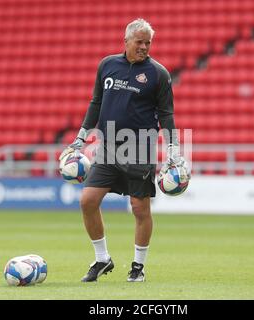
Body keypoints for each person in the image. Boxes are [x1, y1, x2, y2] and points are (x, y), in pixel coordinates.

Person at [59, 18, 189, 282]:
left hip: (139, 147)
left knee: (140, 209)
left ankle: (138, 267)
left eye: (148, 43)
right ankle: (102, 259)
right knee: (88, 201)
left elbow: (166, 115)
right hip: (106, 147)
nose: (144, 47)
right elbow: (96, 103)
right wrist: (81, 138)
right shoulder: (107, 65)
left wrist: (173, 150)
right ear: (126, 41)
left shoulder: (158, 74)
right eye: (139, 42)